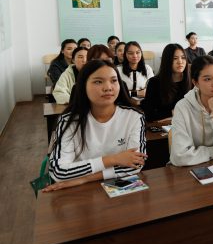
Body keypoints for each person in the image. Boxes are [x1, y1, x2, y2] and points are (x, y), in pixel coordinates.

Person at [43, 59, 147, 191]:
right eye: (98, 81)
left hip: (108, 188)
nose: (108, 87)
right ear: (83, 86)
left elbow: (136, 164)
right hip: (80, 193)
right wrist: (114, 159)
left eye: (114, 80)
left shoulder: (134, 116)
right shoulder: (68, 121)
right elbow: (59, 172)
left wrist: (84, 179)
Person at [141, 44, 192, 122]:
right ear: (167, 61)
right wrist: (172, 112)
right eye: (175, 58)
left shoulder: (192, 81)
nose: (180, 62)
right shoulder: (154, 83)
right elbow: (149, 115)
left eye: (183, 57)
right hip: (164, 125)